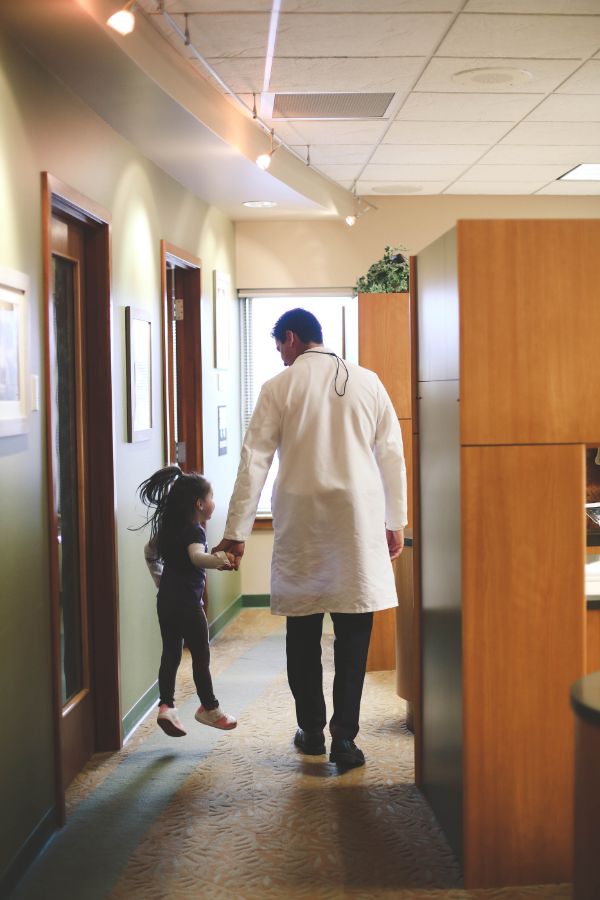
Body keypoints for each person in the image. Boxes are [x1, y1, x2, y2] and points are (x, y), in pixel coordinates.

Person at [213, 308, 406, 769]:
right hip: (356, 522)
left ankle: (312, 731)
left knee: (302, 633)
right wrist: (394, 521)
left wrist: (236, 533)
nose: (280, 356)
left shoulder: (278, 388)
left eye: (279, 345)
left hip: (302, 523)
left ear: (293, 338)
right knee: (353, 634)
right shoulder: (368, 381)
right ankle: (345, 739)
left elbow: (254, 460)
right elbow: (391, 454)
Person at [136, 465, 237, 737]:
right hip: (188, 606)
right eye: (212, 497)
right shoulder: (195, 531)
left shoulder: (170, 528)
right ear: (200, 504)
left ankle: (166, 706)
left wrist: (160, 580)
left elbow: (149, 552)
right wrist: (220, 561)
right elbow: (196, 558)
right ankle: (209, 709)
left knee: (170, 653)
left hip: (166, 601)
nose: (214, 501)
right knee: (200, 656)